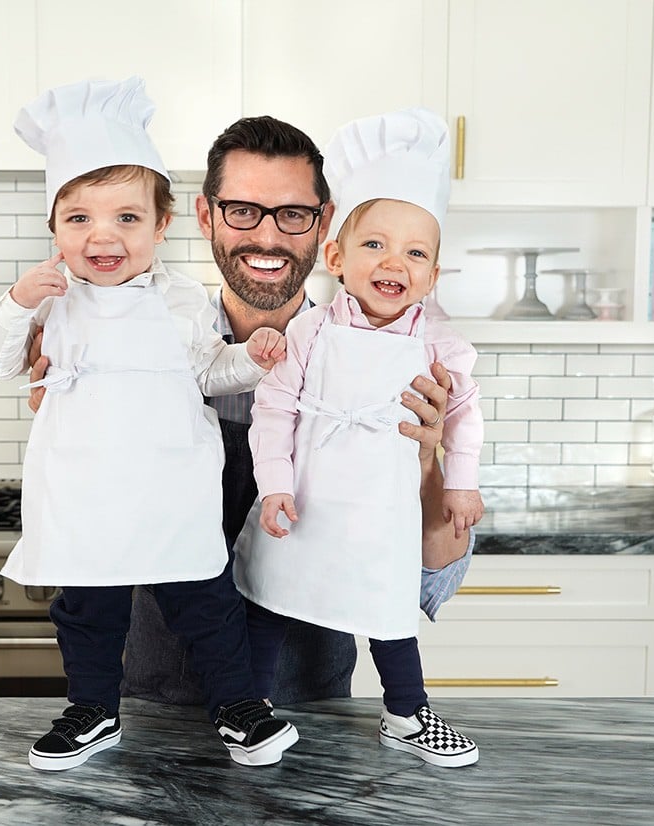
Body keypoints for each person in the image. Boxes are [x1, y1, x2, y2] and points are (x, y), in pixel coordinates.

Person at [27, 115, 476, 708]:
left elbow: (433, 578)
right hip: (151, 708)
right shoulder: (147, 341)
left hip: (310, 714)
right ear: (205, 215)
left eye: (292, 214)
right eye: (242, 210)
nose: (267, 237)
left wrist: (423, 461)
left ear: (325, 226)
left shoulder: (398, 361)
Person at [0, 77, 299, 772]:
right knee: (89, 613)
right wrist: (13, 303)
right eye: (80, 220)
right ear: (55, 230)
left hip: (171, 495)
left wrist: (256, 359)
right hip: (84, 495)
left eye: (126, 218)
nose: (103, 236)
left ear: (162, 226)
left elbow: (211, 374)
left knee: (208, 608)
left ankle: (238, 709)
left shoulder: (181, 299)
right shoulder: (50, 302)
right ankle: (93, 710)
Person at [233, 109, 483, 768]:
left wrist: (456, 480)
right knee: (268, 599)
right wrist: (276, 488)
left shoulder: (440, 344)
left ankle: (405, 712)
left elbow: (465, 417)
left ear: (433, 275)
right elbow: (274, 408)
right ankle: (249, 708)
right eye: (374, 245)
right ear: (337, 257)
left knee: (390, 610)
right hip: (305, 507)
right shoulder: (310, 332)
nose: (392, 263)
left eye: (415, 253)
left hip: (380, 516)